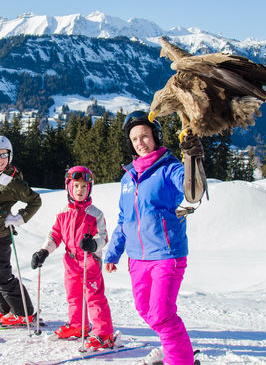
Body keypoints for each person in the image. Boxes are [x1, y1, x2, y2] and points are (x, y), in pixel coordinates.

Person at [104, 111, 203, 365]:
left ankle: (180, 360)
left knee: (161, 314)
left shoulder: (170, 168)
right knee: (145, 310)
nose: (140, 142)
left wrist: (192, 157)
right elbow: (124, 219)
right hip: (137, 258)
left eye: (144, 136)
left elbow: (192, 193)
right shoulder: (128, 178)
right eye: (135, 139)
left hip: (166, 255)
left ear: (155, 137)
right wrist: (114, 252)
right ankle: (173, 349)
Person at [31, 166, 115, 350]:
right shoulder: (63, 212)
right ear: (69, 187)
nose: (80, 190)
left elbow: (103, 236)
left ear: (89, 189)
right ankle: (78, 326)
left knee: (94, 297)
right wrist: (43, 251)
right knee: (74, 296)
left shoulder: (95, 213)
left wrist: (93, 244)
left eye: (84, 187)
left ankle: (104, 334)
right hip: (70, 262)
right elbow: (55, 236)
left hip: (89, 262)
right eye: (76, 186)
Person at [0, 135, 42, 326]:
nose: (0, 159)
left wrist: (20, 218)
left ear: (10, 155)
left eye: (4, 154)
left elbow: (35, 200)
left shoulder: (12, 180)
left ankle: (24, 314)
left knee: (2, 277)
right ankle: (6, 308)